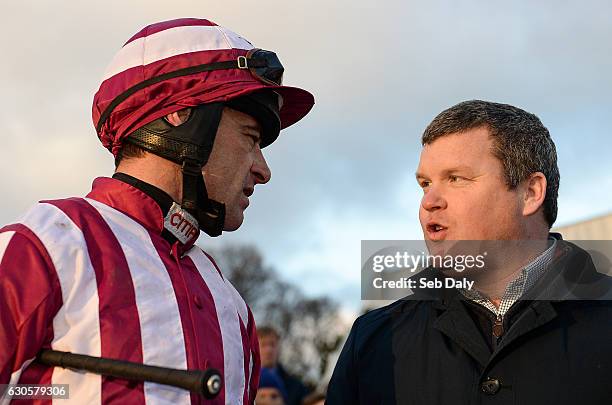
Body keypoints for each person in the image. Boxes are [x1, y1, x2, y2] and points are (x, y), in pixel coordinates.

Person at [0, 18, 314, 404]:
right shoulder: (42, 246)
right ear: (179, 115)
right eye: (250, 138)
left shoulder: (233, 309)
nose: (263, 170)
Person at [327, 100, 612, 404]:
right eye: (425, 184)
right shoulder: (374, 340)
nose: (429, 201)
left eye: (456, 179)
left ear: (530, 193)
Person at [258, 326, 311, 405]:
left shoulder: (296, 387)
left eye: (272, 344)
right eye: (263, 345)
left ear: (279, 348)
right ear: (253, 348)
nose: (269, 350)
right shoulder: (241, 384)